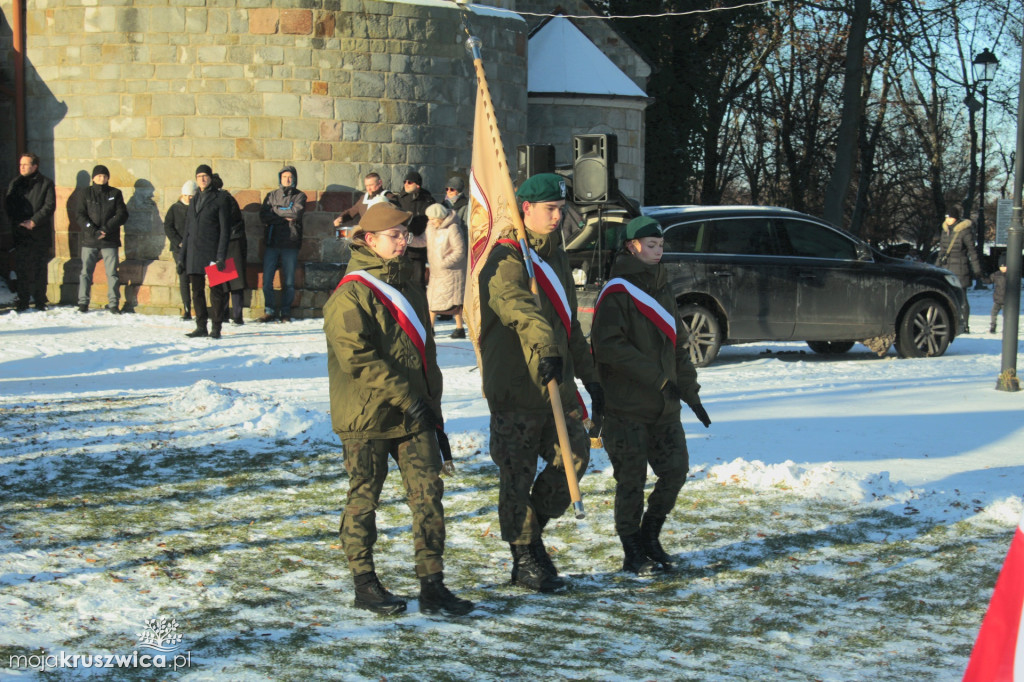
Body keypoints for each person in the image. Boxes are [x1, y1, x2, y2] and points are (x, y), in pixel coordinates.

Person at [323, 202, 473, 617]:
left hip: (414, 415)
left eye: (406, 234)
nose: (404, 240)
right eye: (394, 235)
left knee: (428, 496)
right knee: (364, 499)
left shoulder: (408, 284)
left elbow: (424, 354)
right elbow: (358, 359)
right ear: (369, 240)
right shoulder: (350, 293)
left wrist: (431, 405)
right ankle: (365, 582)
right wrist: (408, 397)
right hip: (366, 417)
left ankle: (433, 584)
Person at [478, 172, 603, 592]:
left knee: (574, 458)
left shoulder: (556, 256)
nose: (558, 216)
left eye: (561, 208)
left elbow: (568, 326)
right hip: (518, 384)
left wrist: (591, 378)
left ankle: (530, 535)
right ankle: (526, 555)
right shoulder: (506, 256)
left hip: (557, 383)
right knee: (516, 472)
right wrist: (544, 347)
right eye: (550, 209)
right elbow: (517, 306)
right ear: (524, 209)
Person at [590, 216, 710, 574]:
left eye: (661, 246)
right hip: (625, 406)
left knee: (676, 471)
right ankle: (632, 551)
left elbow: (678, 346)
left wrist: (691, 392)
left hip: (665, 407)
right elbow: (610, 347)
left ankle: (650, 537)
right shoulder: (616, 292)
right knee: (631, 480)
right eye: (651, 245)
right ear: (632, 246)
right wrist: (658, 379)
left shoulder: (662, 287)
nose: (658, 252)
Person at [180, 164, 230, 339]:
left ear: (210, 178)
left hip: (213, 251)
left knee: (217, 291)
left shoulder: (220, 198)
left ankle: (216, 327)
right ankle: (201, 326)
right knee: (197, 291)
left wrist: (221, 255)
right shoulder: (193, 200)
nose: (202, 179)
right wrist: (182, 257)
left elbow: (225, 230)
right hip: (194, 252)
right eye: (199, 176)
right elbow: (187, 230)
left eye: (205, 176)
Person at [4, 152, 56, 311]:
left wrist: (34, 221)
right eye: (21, 164)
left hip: (39, 232)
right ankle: (23, 300)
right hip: (21, 232)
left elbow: (49, 206)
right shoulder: (16, 183)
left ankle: (40, 301)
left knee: (40, 268)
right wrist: (20, 221)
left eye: (25, 164)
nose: (22, 167)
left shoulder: (46, 183)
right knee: (22, 268)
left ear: (35, 166)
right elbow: (8, 204)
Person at [75, 165, 128, 314]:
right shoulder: (85, 193)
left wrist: (106, 229)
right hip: (90, 239)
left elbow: (122, 214)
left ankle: (113, 303)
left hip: (109, 239)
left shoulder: (115, 193)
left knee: (112, 273)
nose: (102, 179)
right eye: (99, 176)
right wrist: (93, 230)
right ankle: (83, 302)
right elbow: (80, 214)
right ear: (93, 178)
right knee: (86, 272)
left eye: (104, 176)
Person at [258, 166, 305, 323]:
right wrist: (284, 213)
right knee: (267, 280)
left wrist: (275, 210)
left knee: (289, 281)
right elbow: (264, 215)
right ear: (280, 178)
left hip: (290, 243)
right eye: (284, 176)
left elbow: (295, 213)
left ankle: (285, 312)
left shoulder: (300, 196)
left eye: (290, 177)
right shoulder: (271, 195)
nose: (287, 179)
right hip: (272, 241)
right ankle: (269, 310)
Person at [424, 203, 467, 338]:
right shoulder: (431, 228)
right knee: (434, 301)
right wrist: (407, 240)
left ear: (440, 217)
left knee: (453, 303)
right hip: (436, 272)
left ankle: (457, 328)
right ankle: (434, 328)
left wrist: (444, 263)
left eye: (432, 218)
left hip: (451, 272)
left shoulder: (453, 228)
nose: (430, 221)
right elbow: (423, 241)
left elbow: (460, 251)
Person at [211, 174, 248, 326]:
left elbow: (228, 221)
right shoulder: (210, 199)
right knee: (220, 282)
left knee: (235, 282)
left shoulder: (226, 199)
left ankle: (237, 316)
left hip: (232, 243)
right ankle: (222, 314)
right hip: (217, 243)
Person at [937, 205, 981, 332]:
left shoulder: (965, 231)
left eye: (950, 218)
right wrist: (936, 267)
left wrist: (977, 269)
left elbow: (972, 251)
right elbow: (942, 251)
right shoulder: (945, 231)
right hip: (946, 267)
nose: (948, 220)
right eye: (946, 218)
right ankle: (949, 322)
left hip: (961, 268)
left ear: (955, 218)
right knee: (945, 296)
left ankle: (965, 324)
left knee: (962, 297)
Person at [396, 170, 436, 289]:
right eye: (405, 182)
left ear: (417, 185)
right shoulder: (400, 199)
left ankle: (419, 304)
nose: (406, 184)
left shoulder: (428, 200)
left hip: (419, 248)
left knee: (419, 281)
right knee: (402, 279)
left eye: (409, 182)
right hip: (403, 247)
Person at [165, 180, 198, 320]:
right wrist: (178, 241)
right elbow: (168, 226)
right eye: (187, 195)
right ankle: (186, 308)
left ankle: (197, 307)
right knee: (183, 278)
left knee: (195, 278)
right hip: (179, 248)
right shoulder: (174, 208)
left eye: (191, 196)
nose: (189, 198)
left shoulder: (197, 207)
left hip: (194, 248)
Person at [442, 176, 469, 241]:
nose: (448, 191)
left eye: (452, 189)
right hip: (444, 239)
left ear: (458, 191)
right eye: (447, 189)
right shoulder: (443, 204)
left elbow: (465, 227)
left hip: (457, 239)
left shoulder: (465, 205)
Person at [990, 254, 1008, 334]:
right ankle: (993, 326)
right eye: (1001, 267)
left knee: (1006, 316)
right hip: (997, 299)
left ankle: (1006, 328)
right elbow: (989, 280)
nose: (1003, 268)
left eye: (1005, 267)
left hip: (1006, 301)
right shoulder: (996, 275)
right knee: (993, 313)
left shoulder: (1010, 275)